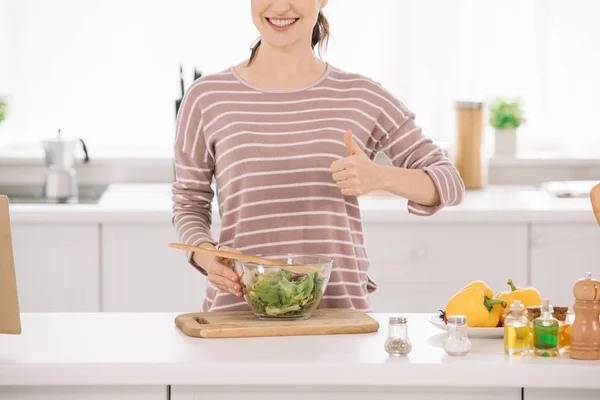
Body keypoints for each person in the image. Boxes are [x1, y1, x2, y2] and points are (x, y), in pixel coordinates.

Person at [172, 0, 465, 313]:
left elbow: (449, 183)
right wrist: (206, 255)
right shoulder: (207, 97)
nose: (280, 6)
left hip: (338, 313)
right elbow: (189, 202)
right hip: (238, 313)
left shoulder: (360, 95)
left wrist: (379, 177)